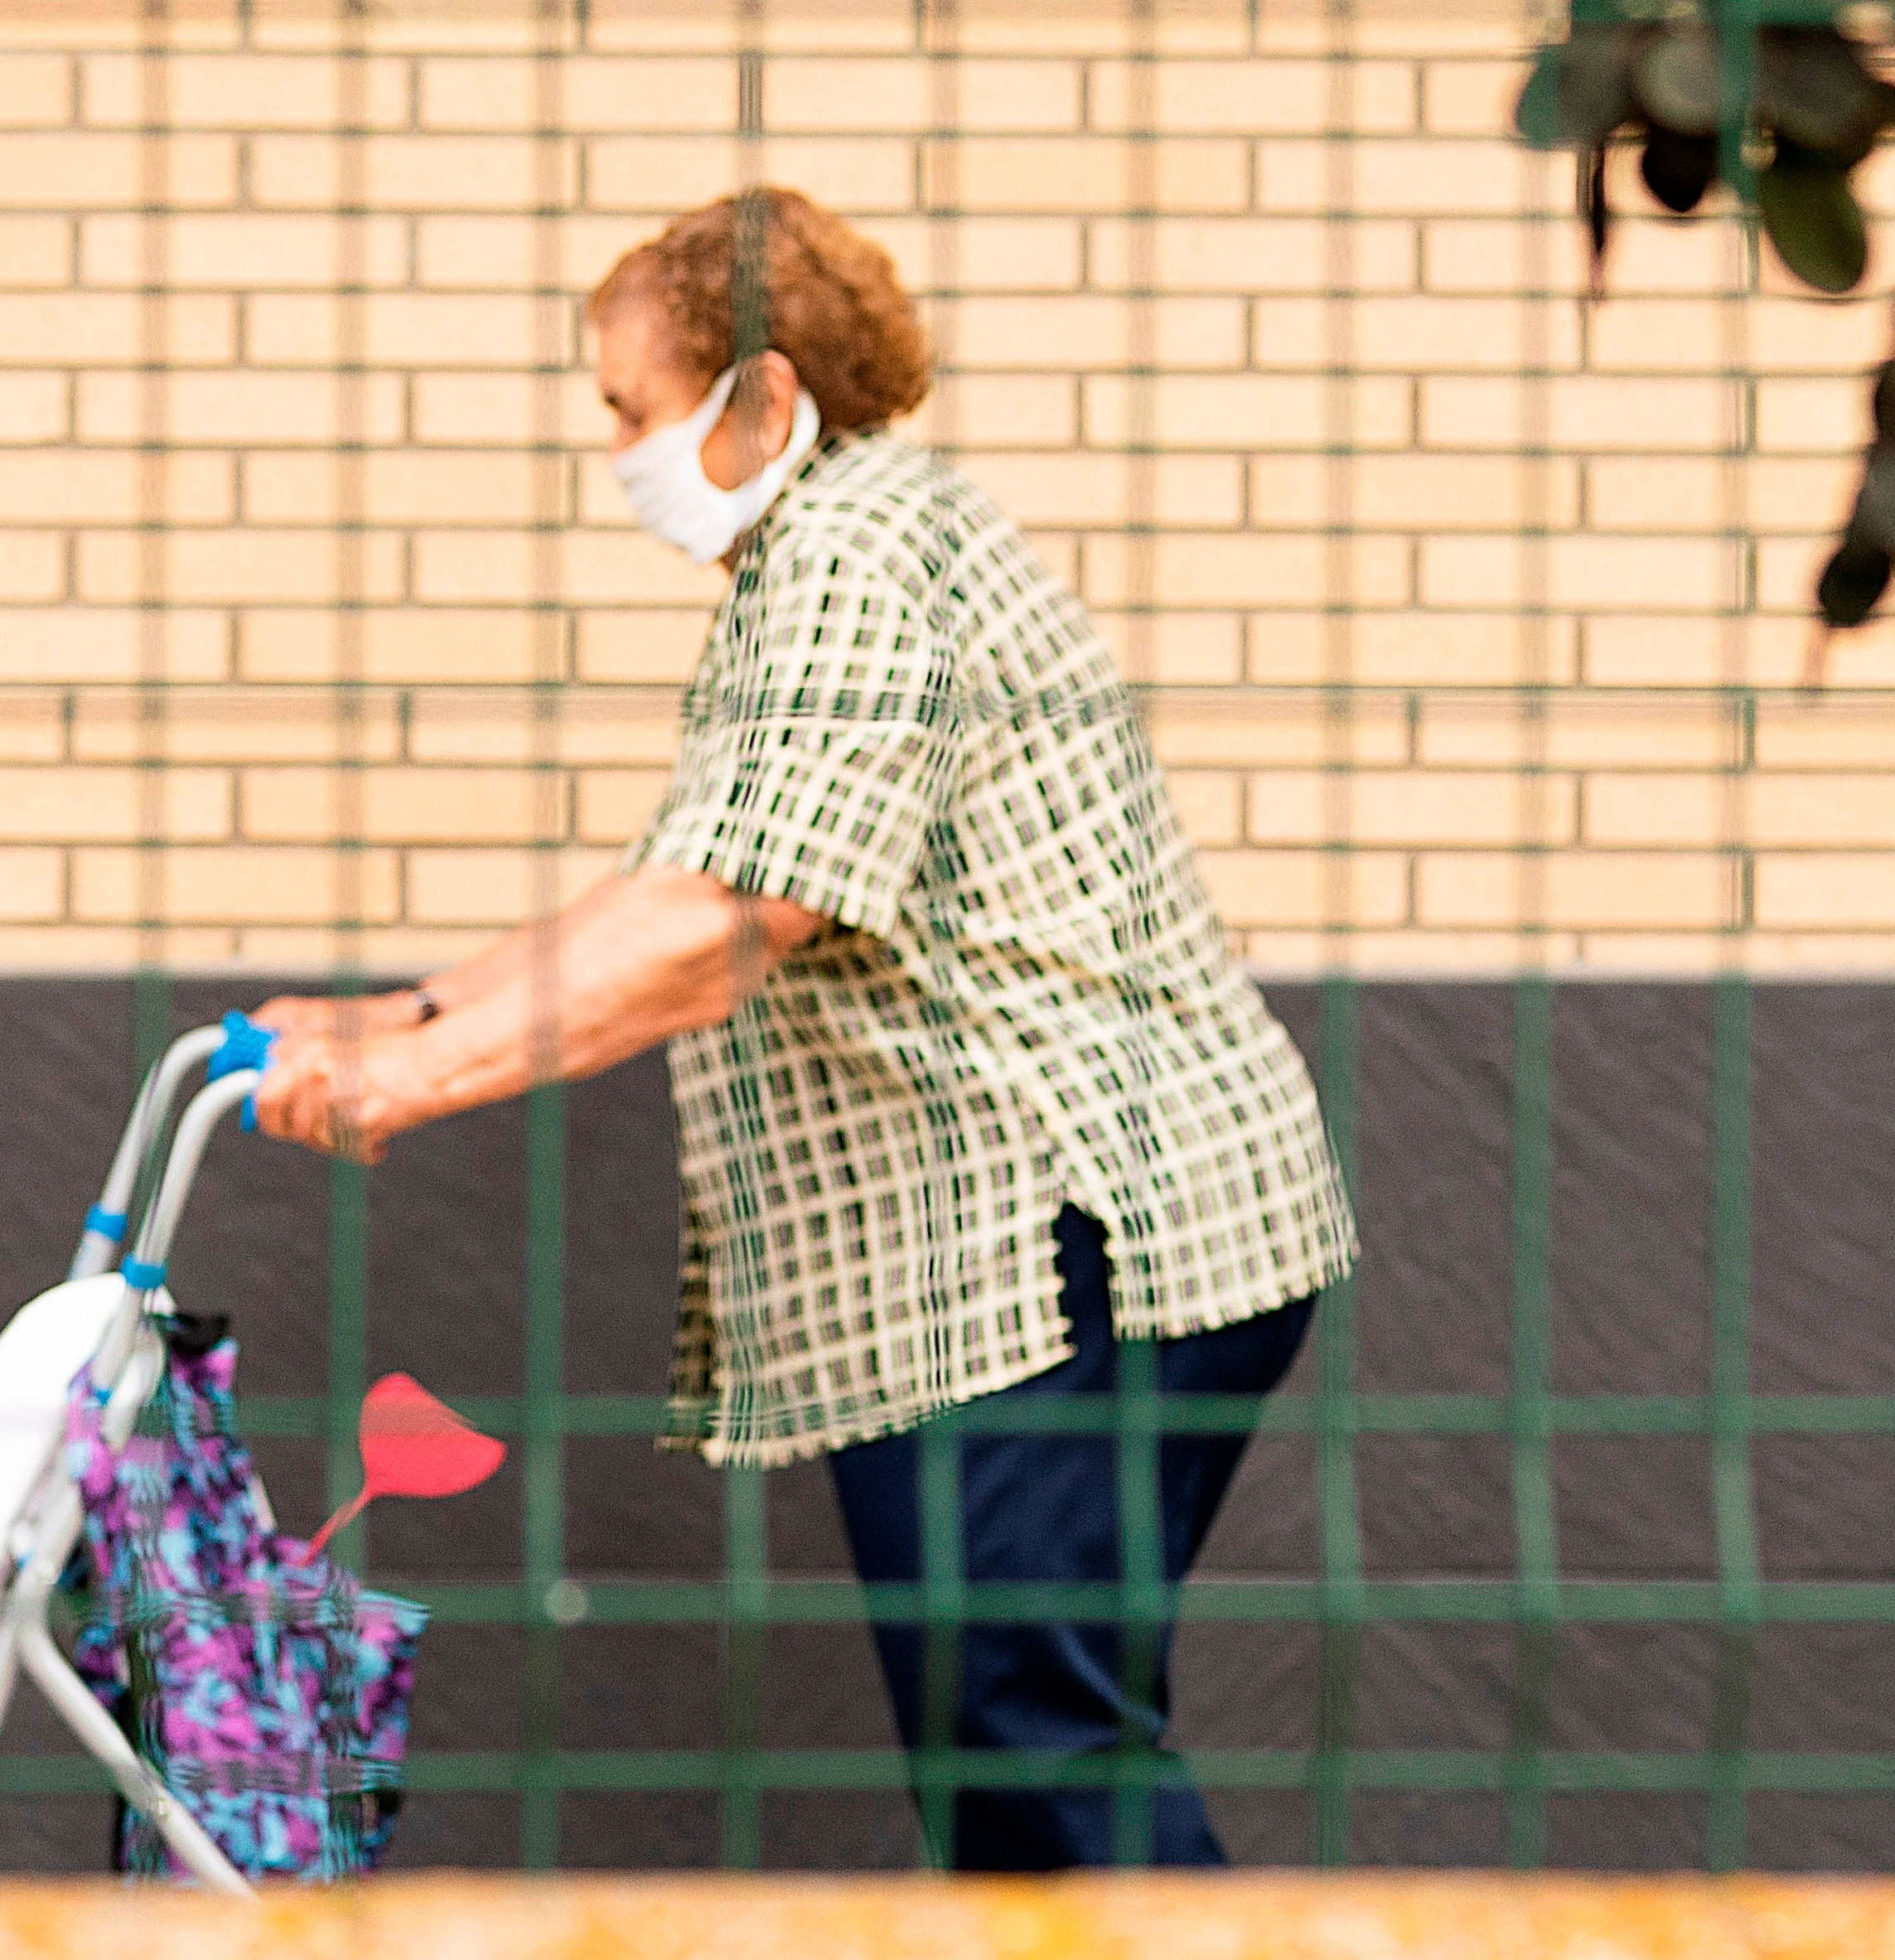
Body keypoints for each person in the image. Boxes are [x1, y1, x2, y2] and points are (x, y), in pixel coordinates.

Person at [239, 183, 1354, 1873]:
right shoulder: (843, 548)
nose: (612, 449)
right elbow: (683, 877)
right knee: (1016, 1747)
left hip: (1071, 1239)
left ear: (759, 398)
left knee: (1033, 1735)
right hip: (1060, 1243)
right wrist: (395, 1008)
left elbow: (724, 921)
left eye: (630, 408)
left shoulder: (853, 554)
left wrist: (409, 1074)